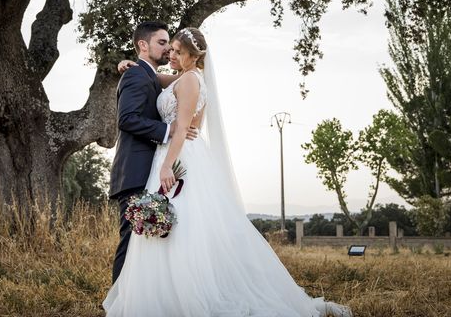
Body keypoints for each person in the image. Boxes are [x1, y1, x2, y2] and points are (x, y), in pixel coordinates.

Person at [104, 27, 352, 317]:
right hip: (166, 155)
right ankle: (150, 297)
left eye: (176, 50)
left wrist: (168, 163)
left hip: (174, 157)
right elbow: (155, 79)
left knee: (180, 229)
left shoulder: (190, 81)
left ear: (191, 55)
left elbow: (182, 128)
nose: (171, 53)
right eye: (167, 47)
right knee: (168, 230)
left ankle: (172, 298)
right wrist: (128, 64)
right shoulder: (182, 78)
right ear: (144, 45)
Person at [109, 21, 196, 284]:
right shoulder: (137, 74)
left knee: (143, 246)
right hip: (134, 171)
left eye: (171, 45)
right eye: (162, 42)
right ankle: (119, 307)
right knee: (130, 242)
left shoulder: (149, 76)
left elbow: (186, 78)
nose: (168, 47)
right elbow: (127, 119)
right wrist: (169, 129)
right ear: (143, 45)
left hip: (149, 170)